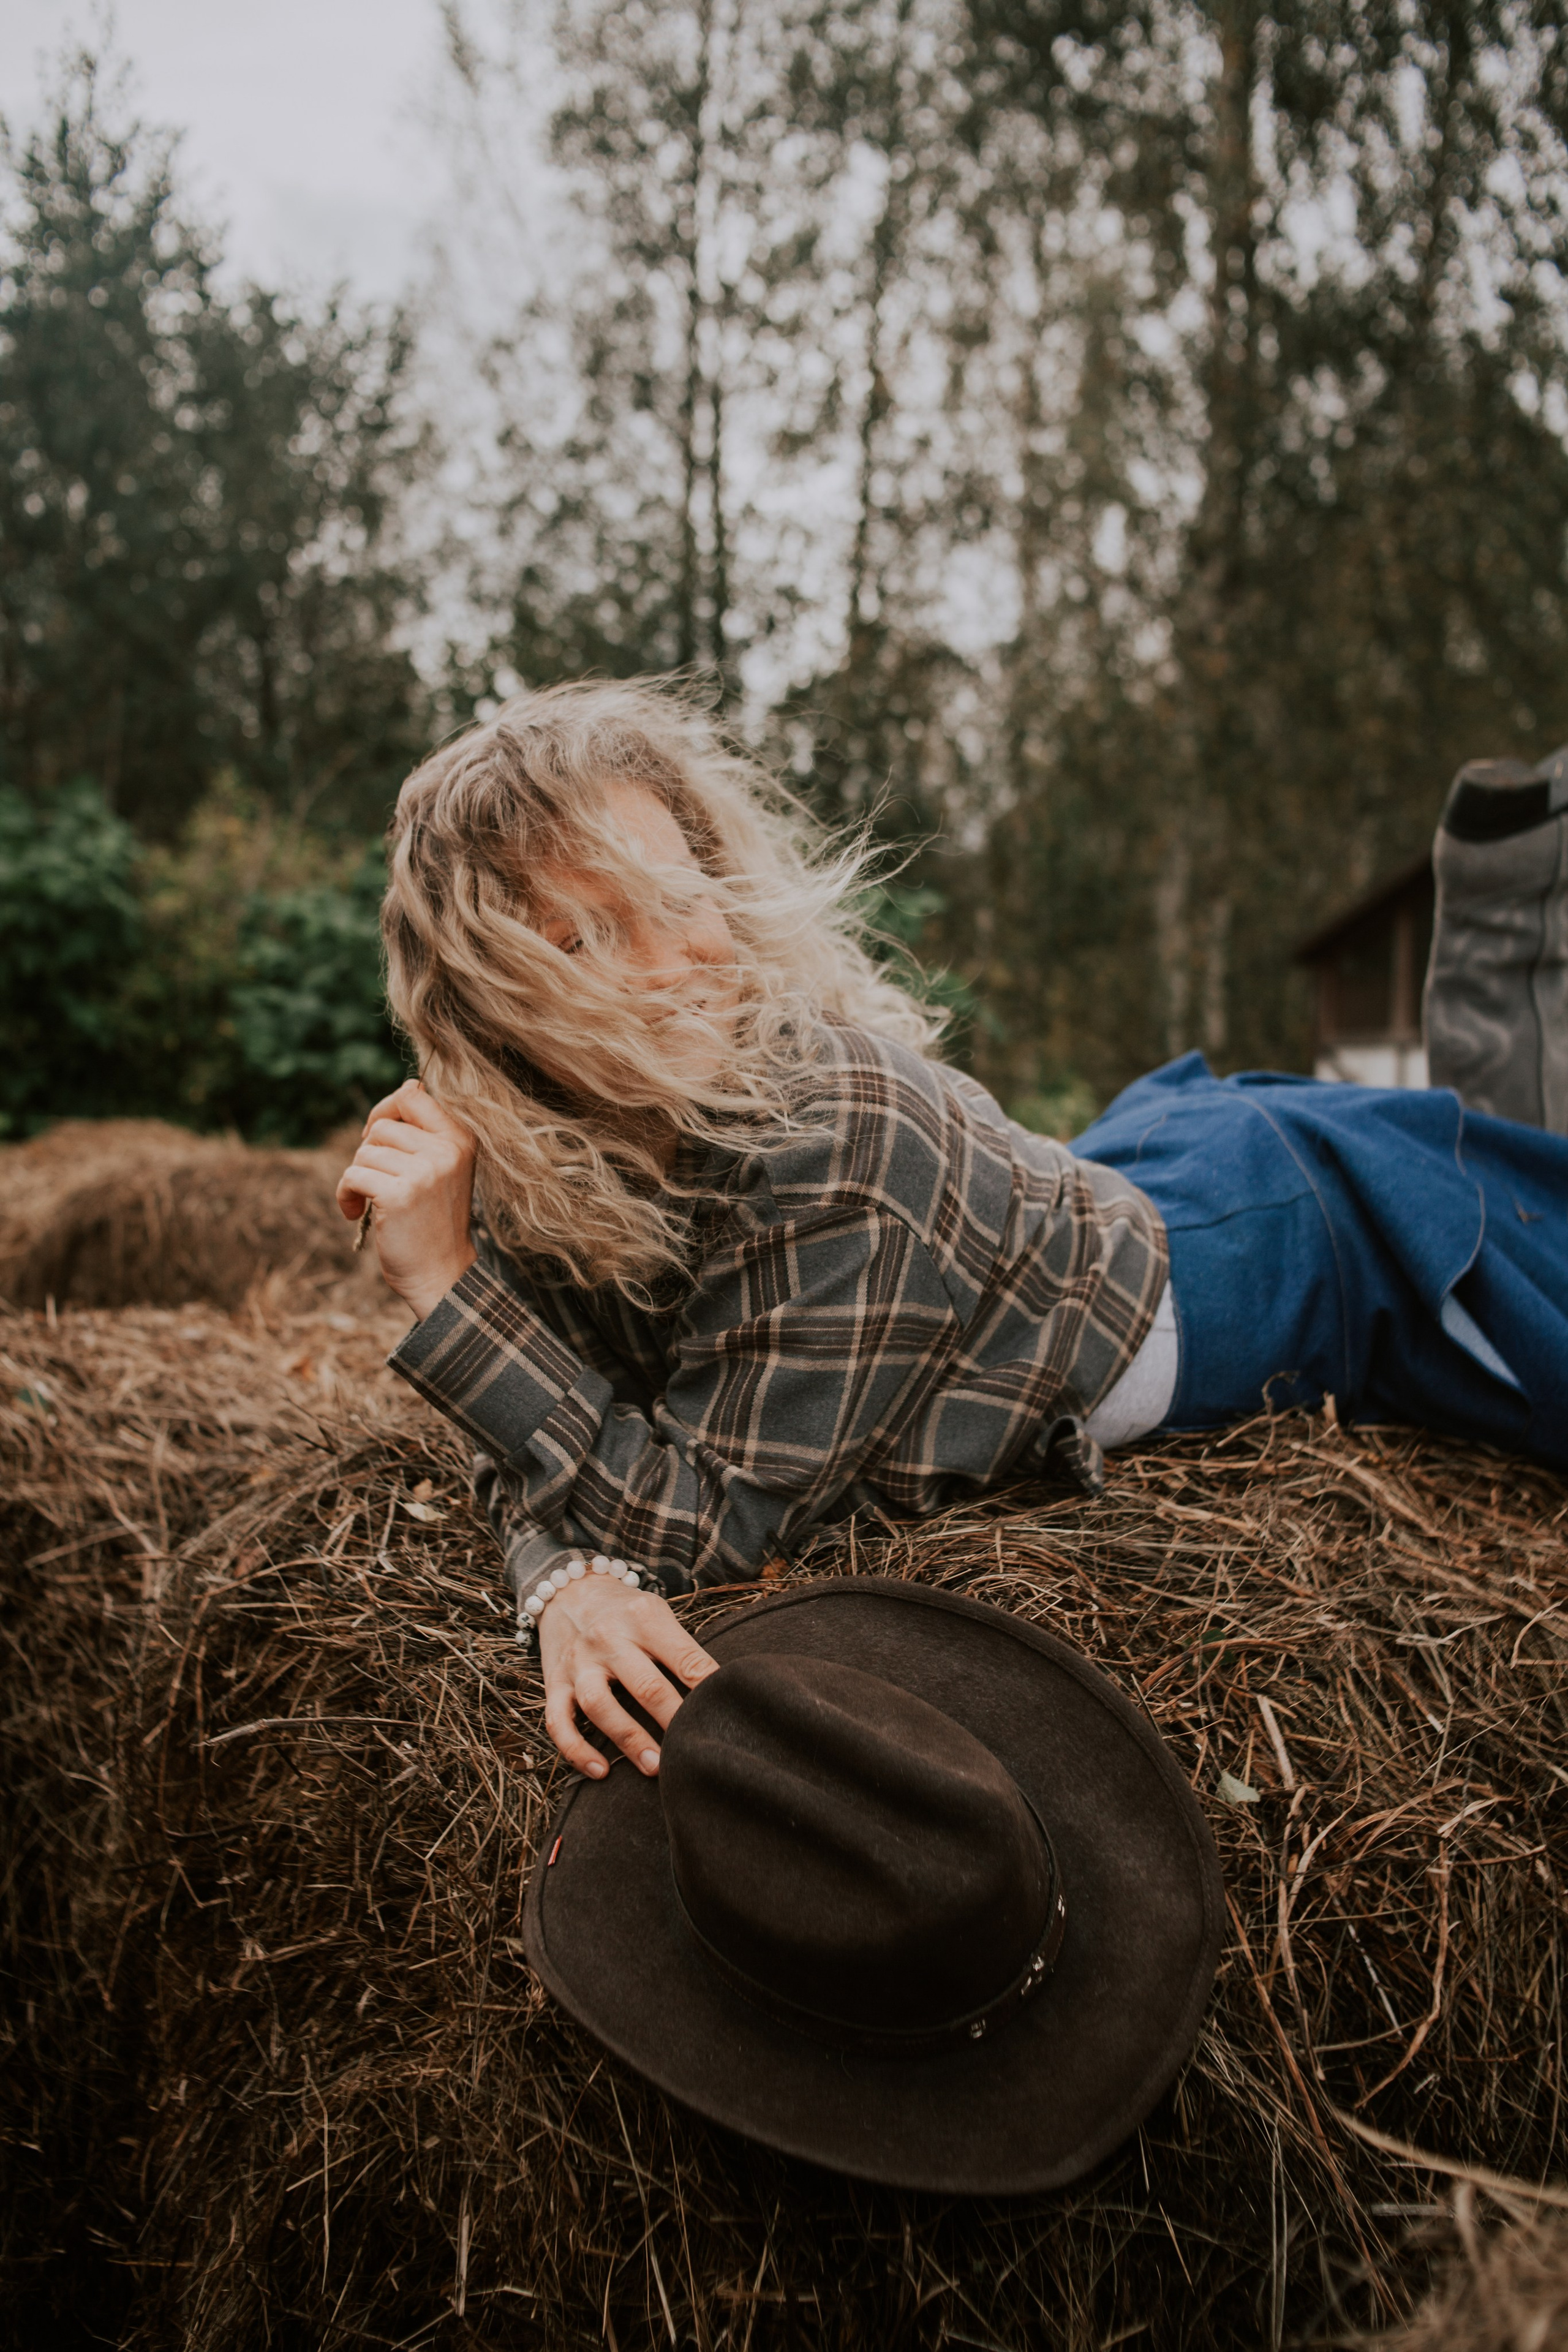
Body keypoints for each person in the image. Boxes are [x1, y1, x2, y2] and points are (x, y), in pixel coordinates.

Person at [337, 680, 1568, 1781]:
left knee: (1510, 1219)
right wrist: (563, 1582)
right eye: (582, 940)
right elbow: (554, 1425)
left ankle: (1508, 922)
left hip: (1271, 1249)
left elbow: (711, 1535)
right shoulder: (554, 1151)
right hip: (1078, 1205)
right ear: (497, 1013)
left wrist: (448, 1287)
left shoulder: (843, 1134)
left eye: (677, 895)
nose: (674, 959)